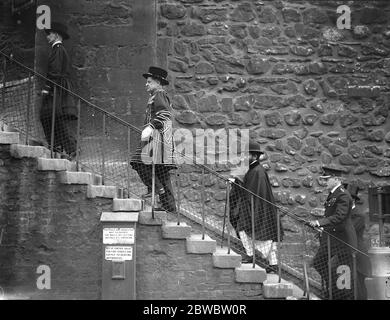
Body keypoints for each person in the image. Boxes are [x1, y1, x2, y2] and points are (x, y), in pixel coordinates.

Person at [229, 140, 283, 272]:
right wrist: (236, 183)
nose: (244, 157)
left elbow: (251, 190)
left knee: (247, 230)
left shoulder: (257, 171)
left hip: (257, 208)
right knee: (248, 231)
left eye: (247, 155)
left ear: (254, 156)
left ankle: (257, 258)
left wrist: (236, 184)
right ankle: (266, 261)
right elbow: (249, 187)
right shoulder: (254, 169)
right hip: (254, 207)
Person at [130, 66, 176, 213]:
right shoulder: (157, 95)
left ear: (157, 82)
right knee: (162, 173)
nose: (146, 84)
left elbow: (165, 114)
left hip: (157, 139)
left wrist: (150, 126)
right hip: (160, 139)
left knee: (138, 162)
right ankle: (168, 205)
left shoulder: (159, 94)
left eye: (149, 81)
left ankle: (158, 190)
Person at [309, 166, 357, 300]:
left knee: (345, 272)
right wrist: (323, 228)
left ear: (336, 179)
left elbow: (339, 216)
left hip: (343, 241)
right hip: (332, 238)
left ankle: (341, 295)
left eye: (327, 179)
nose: (324, 182)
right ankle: (334, 290)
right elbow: (332, 216)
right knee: (319, 262)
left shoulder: (342, 194)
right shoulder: (333, 194)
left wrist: (319, 223)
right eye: (324, 179)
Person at [40, 22, 77, 159]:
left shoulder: (58, 50)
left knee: (49, 115)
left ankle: (67, 148)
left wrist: (47, 88)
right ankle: (58, 147)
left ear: (55, 35)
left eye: (49, 34)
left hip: (56, 88)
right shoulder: (58, 50)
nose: (47, 37)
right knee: (51, 116)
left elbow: (54, 72)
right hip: (58, 87)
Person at [347, 185, 371, 300]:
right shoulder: (345, 214)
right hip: (348, 254)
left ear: (354, 200)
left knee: (359, 287)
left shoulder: (358, 216)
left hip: (358, 254)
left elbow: (349, 230)